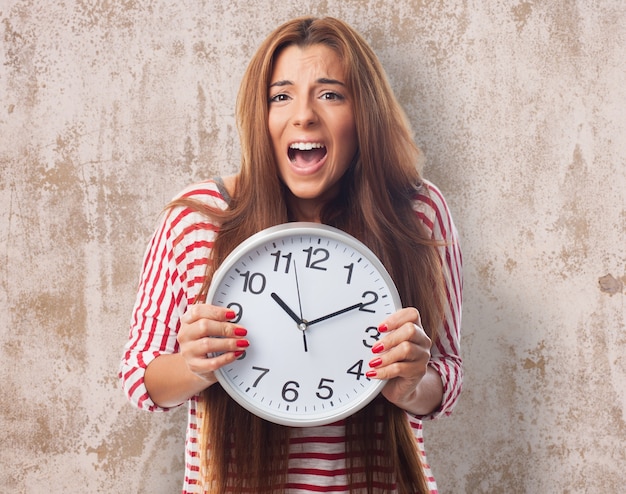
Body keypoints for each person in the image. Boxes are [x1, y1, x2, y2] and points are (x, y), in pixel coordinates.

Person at [120, 16, 462, 494]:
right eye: (281, 96)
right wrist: (194, 365)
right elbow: (140, 377)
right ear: (261, 117)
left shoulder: (419, 212)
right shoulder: (197, 220)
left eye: (330, 94)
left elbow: (446, 372)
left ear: (364, 113)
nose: (303, 115)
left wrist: (413, 385)